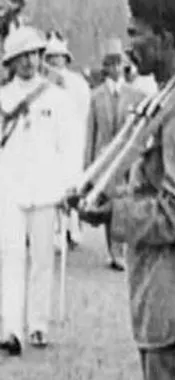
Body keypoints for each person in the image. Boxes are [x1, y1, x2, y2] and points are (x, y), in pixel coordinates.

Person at [79, 0, 175, 380]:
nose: (129, 45)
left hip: (174, 292)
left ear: (162, 38)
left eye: (135, 33)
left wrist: (115, 215)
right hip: (166, 288)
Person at [0, 26, 75, 355]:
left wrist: (68, 185)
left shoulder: (56, 97)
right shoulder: (2, 98)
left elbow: (68, 146)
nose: (29, 62)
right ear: (11, 62)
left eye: (34, 54)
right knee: (11, 257)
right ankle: (11, 327)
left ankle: (38, 324)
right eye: (22, 57)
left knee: (42, 259)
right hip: (10, 188)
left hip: (46, 188)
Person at [84, 38, 148, 271]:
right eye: (110, 63)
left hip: (127, 159)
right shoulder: (96, 96)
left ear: (124, 66)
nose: (114, 68)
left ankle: (122, 249)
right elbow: (91, 132)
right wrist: (88, 167)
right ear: (105, 67)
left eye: (118, 63)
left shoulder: (136, 95)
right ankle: (114, 251)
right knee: (108, 205)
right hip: (104, 160)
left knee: (125, 202)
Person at [44, 31, 91, 247]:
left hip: (71, 141)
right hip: (49, 143)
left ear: (66, 59)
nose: (55, 61)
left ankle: (73, 228)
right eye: (51, 57)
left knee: (71, 184)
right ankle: (53, 231)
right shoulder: (42, 84)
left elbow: (82, 109)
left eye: (59, 56)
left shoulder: (77, 83)